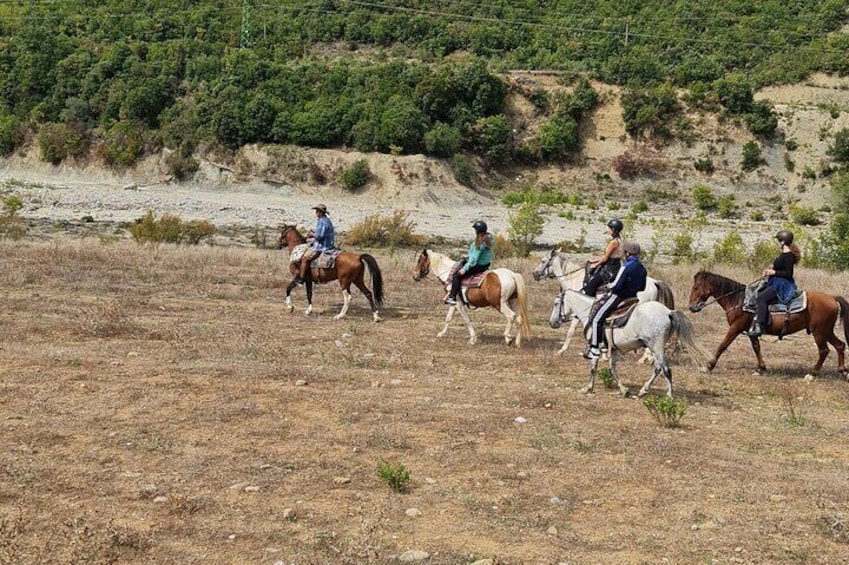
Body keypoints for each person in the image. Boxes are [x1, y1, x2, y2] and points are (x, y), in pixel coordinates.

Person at [584, 240, 647, 359]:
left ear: (627, 253)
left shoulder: (625, 267)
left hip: (618, 297)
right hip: (633, 297)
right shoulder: (642, 268)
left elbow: (616, 285)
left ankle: (594, 348)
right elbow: (642, 287)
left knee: (597, 318)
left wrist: (608, 286)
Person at [745, 230, 801, 337]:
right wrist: (769, 271)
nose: (778, 243)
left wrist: (773, 272)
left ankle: (760, 326)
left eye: (779, 241)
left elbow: (789, 273)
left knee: (761, 298)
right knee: (757, 292)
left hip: (782, 285)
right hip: (776, 281)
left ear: (783, 242)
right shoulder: (784, 254)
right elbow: (780, 269)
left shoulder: (788, 256)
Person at [445, 220, 493, 305]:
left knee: (456, 276)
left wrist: (464, 269)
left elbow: (473, 260)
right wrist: (467, 257)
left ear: (477, 231)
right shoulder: (489, 239)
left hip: (477, 266)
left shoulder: (479, 243)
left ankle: (452, 297)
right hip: (485, 265)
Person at [582, 219, 624, 296]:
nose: (607, 230)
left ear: (613, 229)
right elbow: (610, 256)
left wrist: (595, 264)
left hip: (609, 269)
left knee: (590, 287)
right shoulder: (620, 240)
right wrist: (596, 259)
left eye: (609, 228)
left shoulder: (613, 242)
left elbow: (605, 258)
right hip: (616, 266)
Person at [295, 204, 335, 285]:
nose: (316, 212)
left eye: (317, 211)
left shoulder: (321, 221)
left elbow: (319, 236)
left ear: (321, 212)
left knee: (305, 258)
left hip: (322, 246)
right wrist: (314, 231)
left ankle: (302, 278)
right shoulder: (327, 221)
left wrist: (311, 235)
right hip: (330, 244)